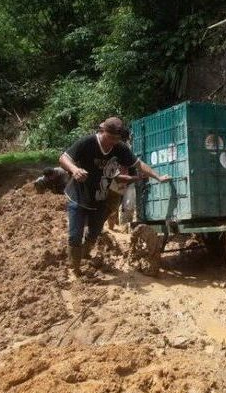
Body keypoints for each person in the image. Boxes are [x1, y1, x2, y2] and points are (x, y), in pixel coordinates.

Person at [59, 117, 170, 277]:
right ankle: (76, 270)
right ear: (102, 130)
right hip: (78, 196)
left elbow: (139, 165)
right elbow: (64, 158)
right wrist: (74, 169)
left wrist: (157, 176)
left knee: (94, 233)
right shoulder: (87, 142)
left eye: (116, 139)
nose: (112, 142)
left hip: (99, 200)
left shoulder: (120, 148)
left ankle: (84, 253)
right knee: (75, 235)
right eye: (109, 137)